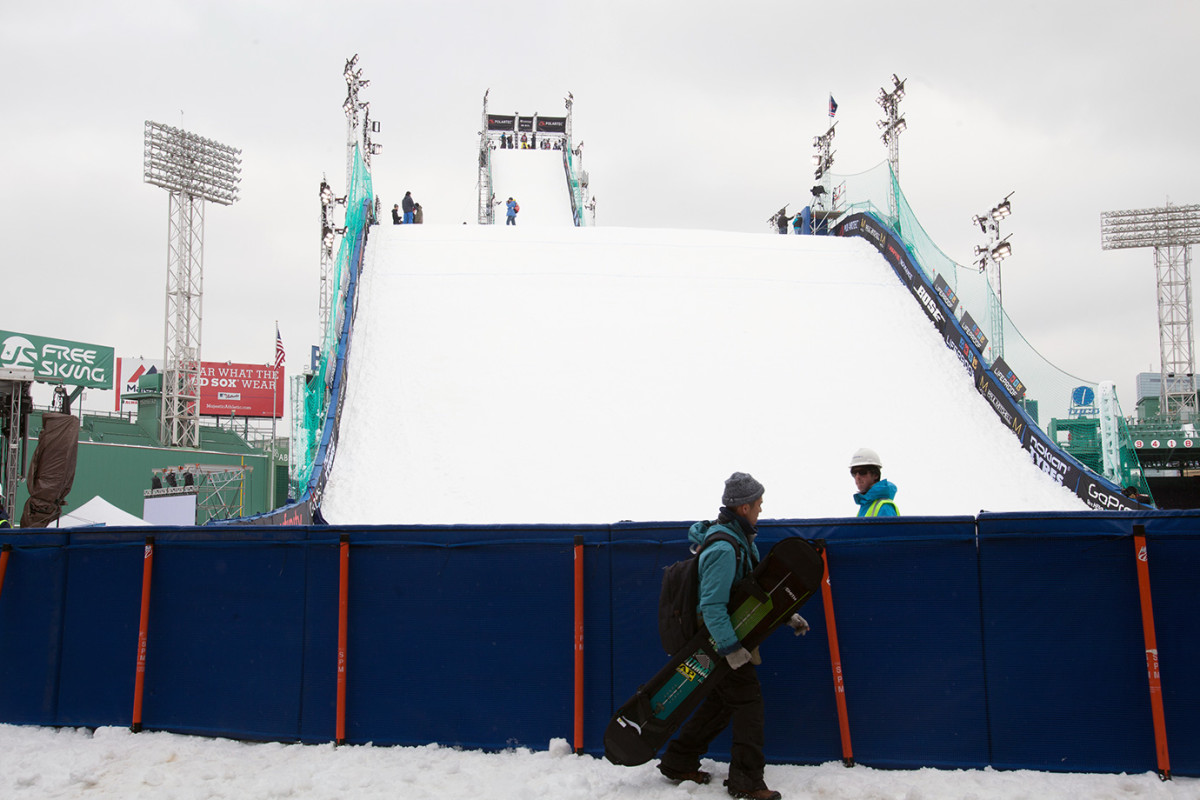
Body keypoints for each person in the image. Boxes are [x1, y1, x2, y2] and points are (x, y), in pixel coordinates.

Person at [657, 472, 806, 800]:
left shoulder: (741, 541)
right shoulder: (725, 548)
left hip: (722, 640)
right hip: (715, 642)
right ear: (743, 508)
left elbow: (752, 595)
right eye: (758, 505)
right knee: (749, 703)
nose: (760, 510)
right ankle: (747, 781)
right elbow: (712, 606)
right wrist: (731, 649)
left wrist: (786, 617)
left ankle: (678, 760)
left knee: (722, 702)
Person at [849, 448, 899, 517]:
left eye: (862, 472)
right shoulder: (865, 506)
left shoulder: (884, 507)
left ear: (876, 475)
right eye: (854, 473)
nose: (857, 477)